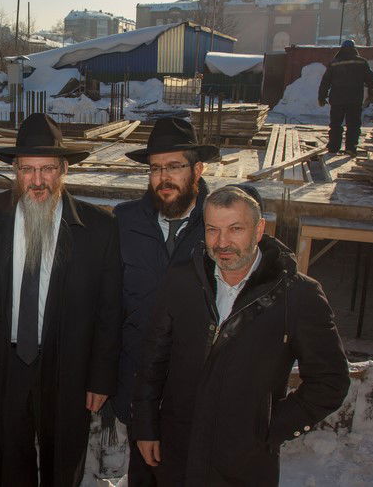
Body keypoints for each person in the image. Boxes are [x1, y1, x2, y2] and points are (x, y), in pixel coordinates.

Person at [132, 185, 350, 486]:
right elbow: (152, 359)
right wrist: (145, 426)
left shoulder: (297, 295)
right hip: (177, 451)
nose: (222, 242)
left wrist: (266, 428)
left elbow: (330, 381)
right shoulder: (182, 279)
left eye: (235, 229)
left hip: (244, 464)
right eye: (213, 230)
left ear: (259, 229)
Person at [0, 113, 122, 487]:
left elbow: (109, 311)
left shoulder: (98, 229)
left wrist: (101, 378)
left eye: (47, 169)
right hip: (3, 365)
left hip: (66, 367)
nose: (37, 181)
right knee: (4, 459)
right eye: (27, 170)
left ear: (64, 170)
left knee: (63, 462)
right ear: (15, 171)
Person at [110, 117, 220, 486]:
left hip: (200, 393)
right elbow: (107, 307)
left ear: (198, 169)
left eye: (175, 166)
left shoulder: (219, 225)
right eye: (157, 168)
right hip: (139, 387)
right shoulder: (124, 223)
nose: (164, 177)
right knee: (143, 475)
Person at [317, 39, 373, 157]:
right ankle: (351, 148)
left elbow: (325, 82)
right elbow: (372, 79)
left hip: (337, 100)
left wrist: (321, 97)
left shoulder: (334, 63)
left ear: (342, 49)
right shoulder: (362, 62)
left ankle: (334, 148)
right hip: (354, 100)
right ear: (354, 48)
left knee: (335, 124)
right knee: (353, 125)